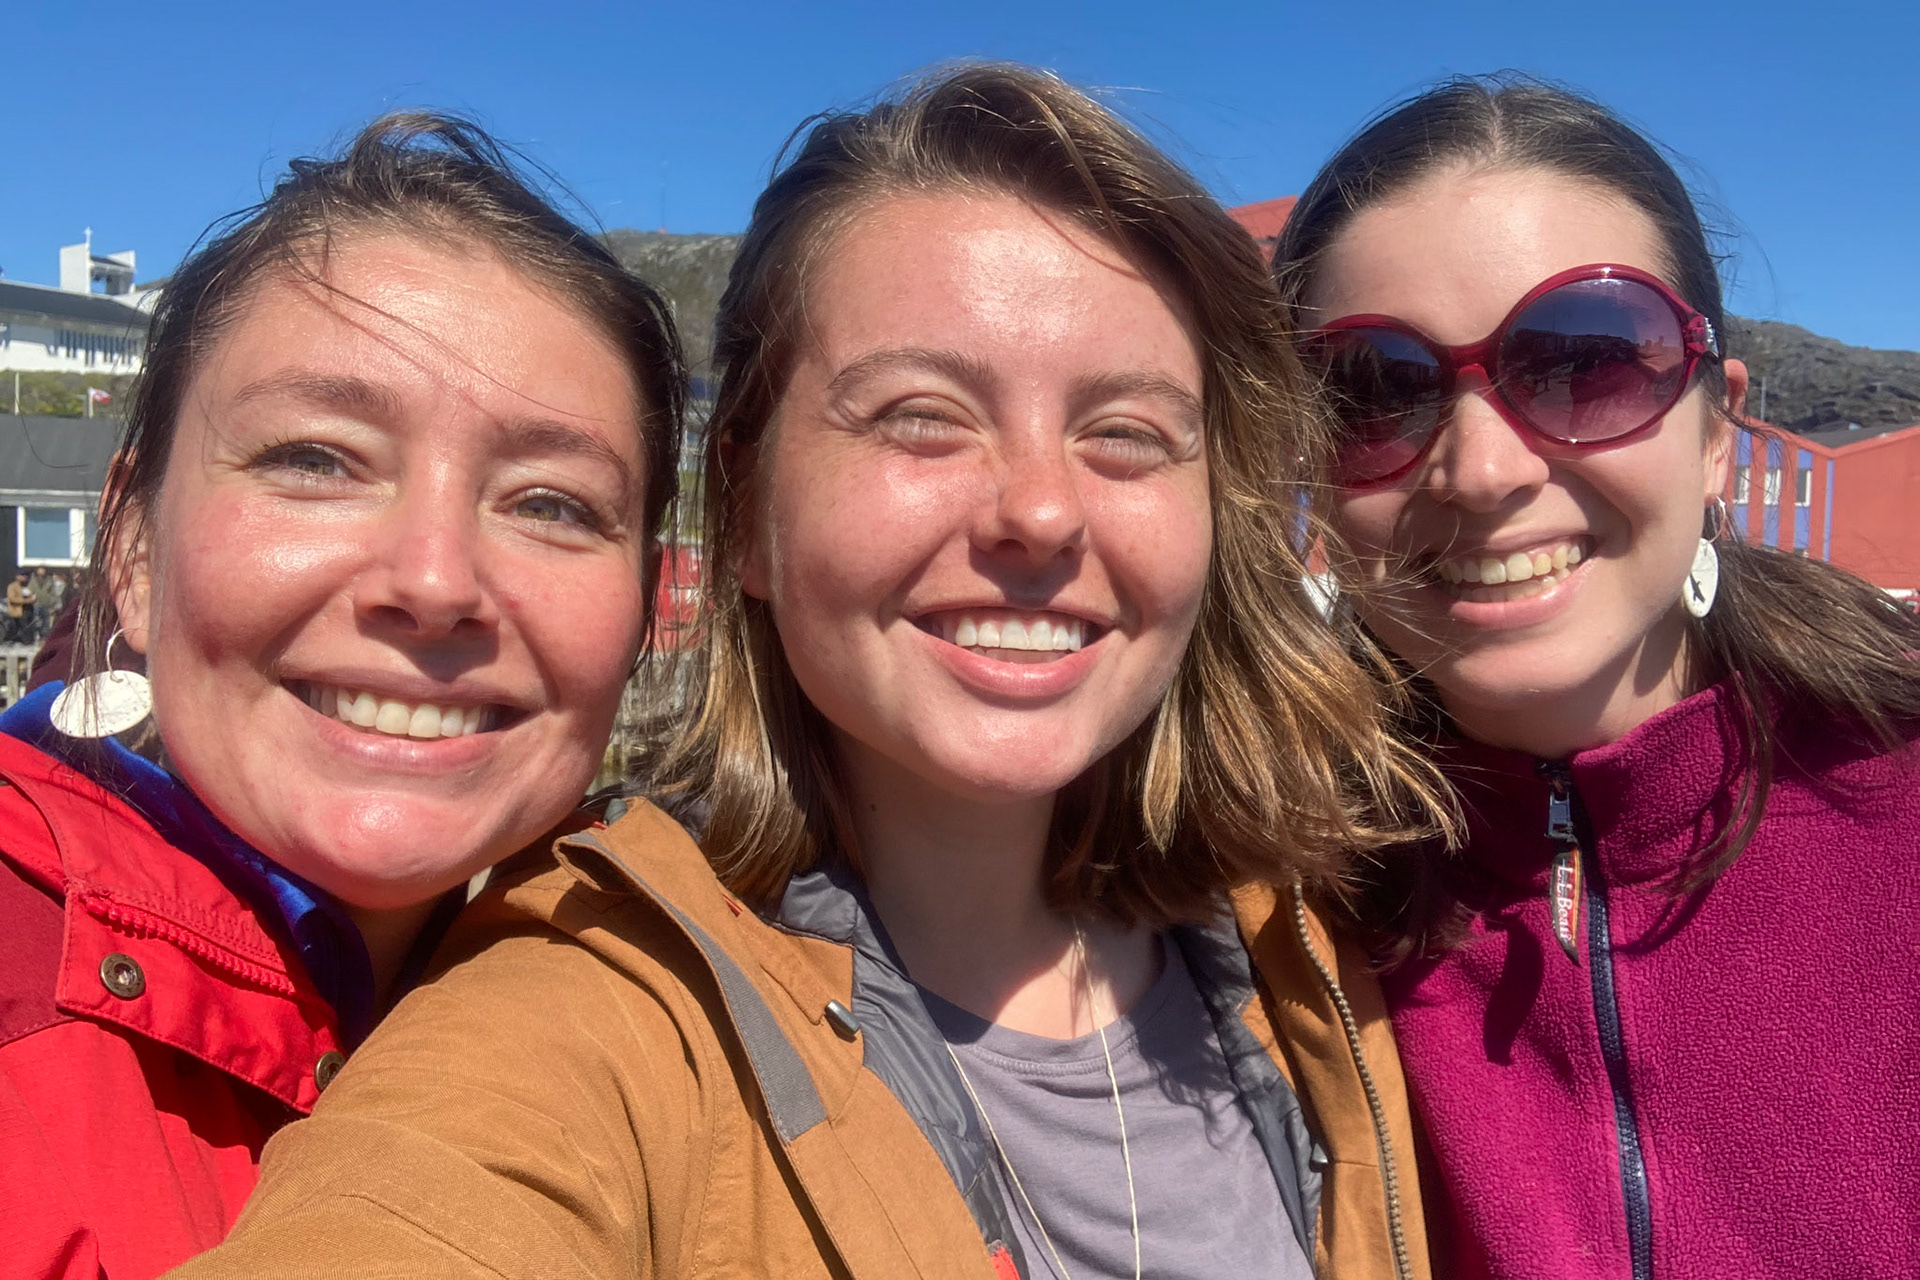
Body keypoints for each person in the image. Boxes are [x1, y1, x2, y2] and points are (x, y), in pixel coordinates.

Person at [172, 65, 1449, 1280]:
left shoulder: (1308, 947)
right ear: (744, 512)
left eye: (1126, 433)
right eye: (921, 416)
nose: (1046, 513)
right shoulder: (598, 1007)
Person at [0, 113, 684, 1280]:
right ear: (131, 546)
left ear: (645, 607)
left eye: (552, 502)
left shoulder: (661, 1001)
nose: (433, 580)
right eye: (315, 459)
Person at [1273, 77, 1920, 1279]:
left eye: (1584, 362)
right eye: (1379, 389)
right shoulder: (1271, 875)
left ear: (1719, 430)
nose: (1480, 470)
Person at [5, 570, 33, 643]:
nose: (25, 577)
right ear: (17, 576)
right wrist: (25, 601)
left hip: (28, 610)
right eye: (22, 575)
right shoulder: (12, 586)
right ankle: (24, 641)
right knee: (21, 627)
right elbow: (12, 598)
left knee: (29, 626)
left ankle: (28, 641)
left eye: (26, 576)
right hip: (18, 610)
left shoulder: (27, 586)